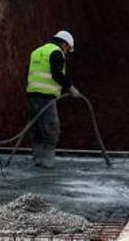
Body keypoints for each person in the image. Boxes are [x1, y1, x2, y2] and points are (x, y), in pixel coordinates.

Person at [26, 30, 80, 169]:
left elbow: (27, 73)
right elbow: (57, 74)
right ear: (64, 43)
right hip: (47, 96)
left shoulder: (36, 52)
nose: (67, 52)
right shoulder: (57, 52)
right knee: (51, 128)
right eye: (68, 48)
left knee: (36, 128)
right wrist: (70, 88)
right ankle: (47, 161)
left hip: (32, 96)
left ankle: (36, 159)